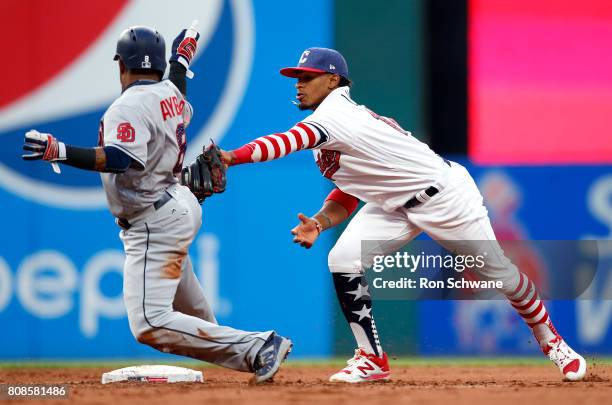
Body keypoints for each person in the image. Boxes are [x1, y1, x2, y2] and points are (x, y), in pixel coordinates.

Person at [219, 47, 586, 383]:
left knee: (500, 274)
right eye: (297, 78)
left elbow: (283, 142)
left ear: (333, 81)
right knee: (343, 259)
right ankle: (371, 358)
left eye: (308, 77)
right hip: (394, 205)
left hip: (445, 198)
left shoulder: (336, 116)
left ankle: (552, 342)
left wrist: (232, 157)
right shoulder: (331, 126)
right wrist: (319, 221)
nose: (299, 85)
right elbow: (349, 191)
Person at [21, 25, 291, 384]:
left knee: (149, 322)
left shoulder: (127, 106)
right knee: (190, 310)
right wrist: (182, 59)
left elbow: (120, 158)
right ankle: (242, 352)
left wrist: (60, 151)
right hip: (176, 202)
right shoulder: (169, 92)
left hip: (154, 218)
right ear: (159, 65)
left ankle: (258, 346)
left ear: (121, 66)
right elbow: (176, 85)